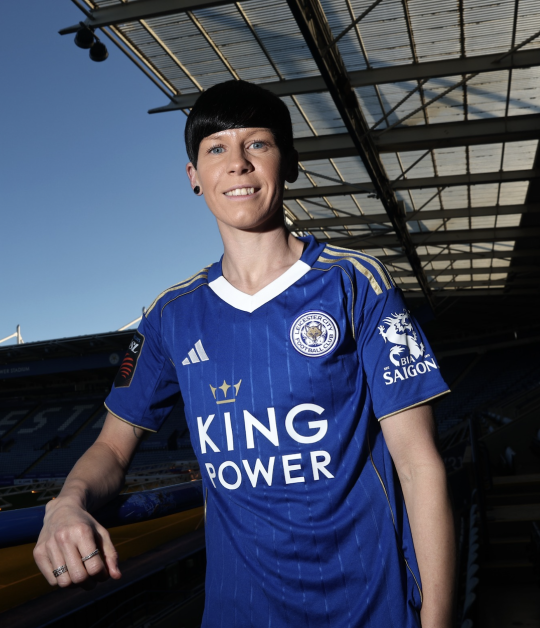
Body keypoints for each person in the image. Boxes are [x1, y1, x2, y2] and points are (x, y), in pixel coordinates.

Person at [33, 80, 454, 627]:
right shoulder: (170, 315)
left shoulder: (356, 283)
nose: (238, 163)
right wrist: (66, 502)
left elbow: (419, 466)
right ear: (194, 176)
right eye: (217, 149)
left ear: (290, 163)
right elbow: (112, 448)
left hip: (368, 610)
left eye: (258, 143)